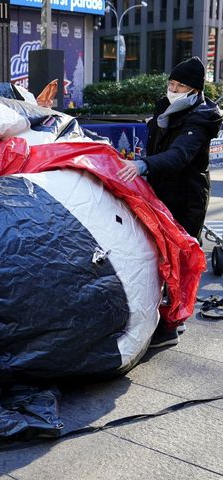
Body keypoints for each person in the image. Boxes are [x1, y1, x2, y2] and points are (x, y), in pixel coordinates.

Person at [117, 56, 223, 348]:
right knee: (158, 256)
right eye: (171, 83)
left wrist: (144, 165)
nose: (173, 89)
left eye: (180, 86)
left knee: (178, 260)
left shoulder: (201, 118)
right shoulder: (166, 108)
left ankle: (171, 327)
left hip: (186, 196)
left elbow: (179, 156)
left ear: (194, 91)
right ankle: (166, 314)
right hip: (161, 192)